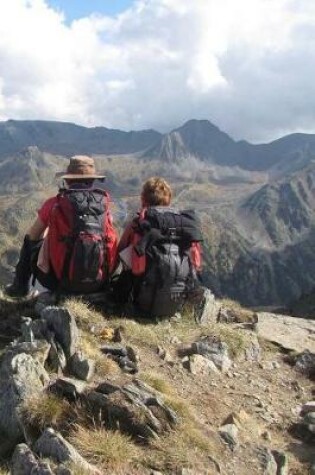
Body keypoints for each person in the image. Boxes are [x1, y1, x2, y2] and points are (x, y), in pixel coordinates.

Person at [5, 155, 118, 298]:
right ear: (93, 180)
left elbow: (32, 236)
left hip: (60, 282)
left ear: (67, 180)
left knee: (30, 241)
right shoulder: (104, 204)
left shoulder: (55, 204)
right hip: (99, 282)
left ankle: (20, 286)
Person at [113, 176, 206, 318]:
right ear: (168, 200)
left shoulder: (139, 224)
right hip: (175, 304)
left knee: (128, 254)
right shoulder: (183, 225)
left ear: (143, 199)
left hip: (141, 303)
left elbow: (119, 252)